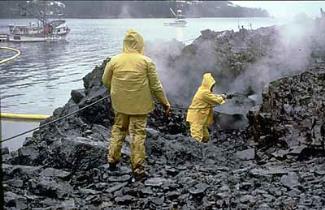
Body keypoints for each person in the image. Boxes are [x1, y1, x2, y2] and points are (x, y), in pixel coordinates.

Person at [102, 29, 170, 179]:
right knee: (138, 134)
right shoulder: (146, 61)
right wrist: (165, 103)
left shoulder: (114, 60)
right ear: (139, 44)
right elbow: (156, 87)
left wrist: (117, 90)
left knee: (119, 129)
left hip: (120, 104)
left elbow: (105, 81)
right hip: (140, 106)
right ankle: (138, 168)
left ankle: (112, 161)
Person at [186, 73, 226, 143]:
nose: (213, 87)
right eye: (212, 85)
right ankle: (194, 151)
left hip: (201, 119)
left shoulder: (203, 89)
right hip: (196, 118)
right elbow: (216, 101)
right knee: (196, 138)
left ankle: (203, 148)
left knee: (206, 137)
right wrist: (223, 97)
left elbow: (211, 96)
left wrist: (220, 96)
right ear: (208, 84)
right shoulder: (204, 93)